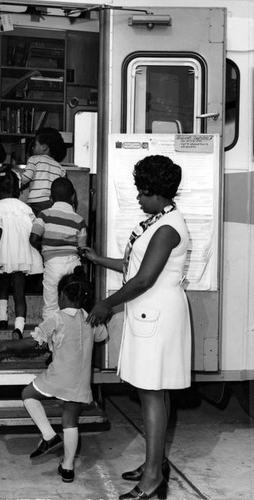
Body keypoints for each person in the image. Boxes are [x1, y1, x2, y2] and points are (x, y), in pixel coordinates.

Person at [82, 155, 191, 500]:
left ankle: (153, 477)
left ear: (158, 193)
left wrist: (106, 303)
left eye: (143, 192)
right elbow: (133, 266)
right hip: (149, 315)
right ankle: (153, 463)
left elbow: (144, 279)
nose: (138, 198)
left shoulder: (168, 228)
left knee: (152, 394)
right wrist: (99, 259)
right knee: (155, 392)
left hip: (156, 315)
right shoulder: (158, 220)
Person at [0, 266, 108, 483]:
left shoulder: (56, 318)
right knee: (70, 420)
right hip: (81, 382)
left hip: (58, 377)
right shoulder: (90, 318)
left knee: (28, 394)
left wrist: (8, 345)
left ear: (62, 295)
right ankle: (67, 468)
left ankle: (48, 436)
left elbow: (32, 342)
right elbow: (101, 336)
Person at [0, 167, 43, 339]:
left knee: (2, 285)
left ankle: (3, 318)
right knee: (19, 292)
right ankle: (18, 327)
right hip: (21, 255)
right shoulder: (25, 208)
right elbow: (33, 230)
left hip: (3, 253)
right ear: (17, 189)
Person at [30, 176, 87, 320]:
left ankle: (50, 340)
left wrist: (45, 247)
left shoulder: (44, 215)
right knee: (74, 306)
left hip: (53, 265)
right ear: (73, 197)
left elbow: (33, 239)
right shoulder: (79, 220)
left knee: (51, 306)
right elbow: (82, 249)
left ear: (51, 198)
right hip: (74, 264)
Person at [20, 127, 67, 216]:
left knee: (32, 224)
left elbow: (26, 177)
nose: (33, 147)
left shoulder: (34, 159)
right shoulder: (60, 167)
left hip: (36, 203)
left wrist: (16, 183)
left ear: (44, 147)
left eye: (35, 144)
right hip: (53, 204)